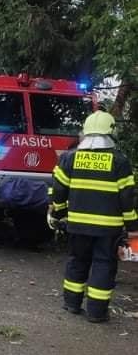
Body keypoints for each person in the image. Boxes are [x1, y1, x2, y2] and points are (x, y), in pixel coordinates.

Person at [50, 111, 138, 323]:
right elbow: (127, 197)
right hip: (108, 228)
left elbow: (58, 190)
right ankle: (97, 313)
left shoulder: (69, 158)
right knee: (103, 265)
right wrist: (133, 227)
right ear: (111, 131)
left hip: (77, 225)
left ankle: (71, 304)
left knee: (77, 261)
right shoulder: (120, 161)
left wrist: (59, 213)